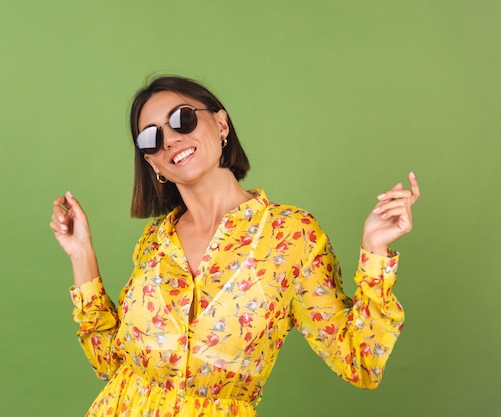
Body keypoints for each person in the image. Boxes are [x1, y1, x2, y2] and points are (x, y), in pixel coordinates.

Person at [49, 75, 420, 417]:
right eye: (152, 138)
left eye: (182, 119)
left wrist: (375, 250)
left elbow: (361, 362)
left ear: (221, 124)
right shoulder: (155, 243)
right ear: (153, 164)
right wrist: (82, 255)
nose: (171, 139)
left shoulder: (291, 235)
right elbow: (110, 364)